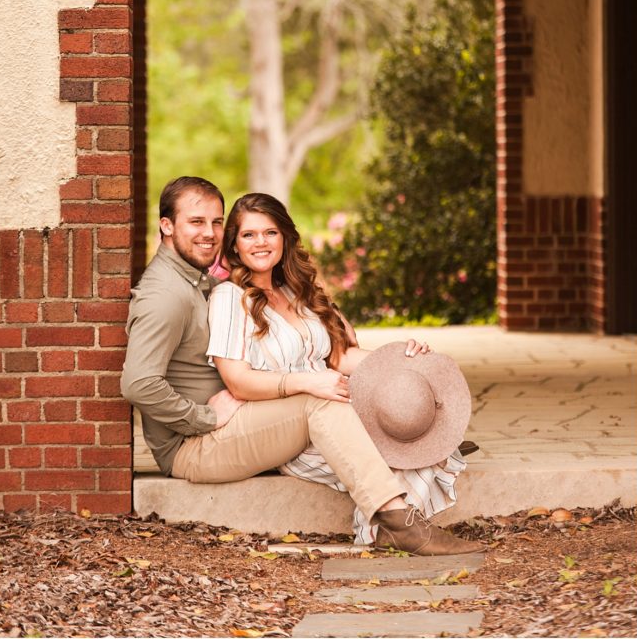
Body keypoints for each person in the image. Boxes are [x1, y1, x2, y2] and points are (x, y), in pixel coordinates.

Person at [121, 175, 482, 555]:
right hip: (196, 443)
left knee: (373, 409)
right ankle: (398, 521)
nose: (208, 233)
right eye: (197, 222)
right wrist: (204, 418)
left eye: (215, 222)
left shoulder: (208, 282)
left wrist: (401, 361)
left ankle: (406, 456)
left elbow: (337, 357)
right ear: (167, 225)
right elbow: (139, 384)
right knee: (323, 400)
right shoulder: (172, 295)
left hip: (248, 420)